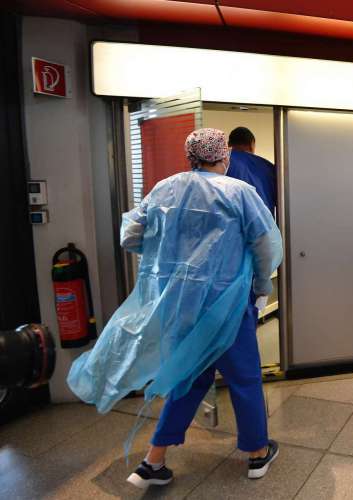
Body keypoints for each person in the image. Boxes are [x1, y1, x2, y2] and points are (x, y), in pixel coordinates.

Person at [67, 128, 283, 487]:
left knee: (188, 377)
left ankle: (154, 460)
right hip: (226, 304)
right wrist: (262, 286)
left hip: (180, 306)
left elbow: (130, 236)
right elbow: (265, 245)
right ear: (223, 157)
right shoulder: (238, 192)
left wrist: (171, 258)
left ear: (191, 156)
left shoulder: (165, 188)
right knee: (243, 378)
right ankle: (258, 453)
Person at [228, 127, 277, 216]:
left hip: (231, 223)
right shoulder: (269, 167)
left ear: (228, 144)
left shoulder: (220, 163)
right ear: (252, 144)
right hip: (264, 224)